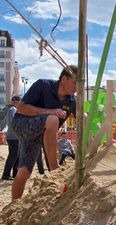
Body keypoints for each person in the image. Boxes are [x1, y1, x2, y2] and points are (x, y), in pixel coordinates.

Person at [11, 65, 77, 199]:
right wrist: (51, 112)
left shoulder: (72, 101)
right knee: (52, 119)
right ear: (64, 79)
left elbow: (83, 120)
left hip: (38, 135)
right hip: (22, 124)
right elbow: (21, 108)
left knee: (23, 172)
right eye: (75, 82)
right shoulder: (43, 85)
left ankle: (14, 205)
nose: (77, 87)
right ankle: (54, 167)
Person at [1, 96, 21, 180]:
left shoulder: (11, 109)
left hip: (14, 136)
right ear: (16, 102)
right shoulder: (13, 109)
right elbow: (14, 122)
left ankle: (15, 174)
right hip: (13, 137)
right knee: (13, 156)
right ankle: (6, 174)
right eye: (19, 102)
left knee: (16, 155)